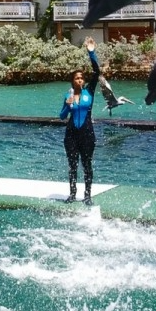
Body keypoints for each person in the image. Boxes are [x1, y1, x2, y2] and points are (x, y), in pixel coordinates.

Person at [58, 37, 100, 205]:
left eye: (82, 78)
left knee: (87, 164)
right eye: (77, 78)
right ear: (72, 81)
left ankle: (87, 195)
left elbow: (97, 72)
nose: (80, 80)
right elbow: (62, 116)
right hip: (71, 135)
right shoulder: (67, 95)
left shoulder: (89, 92)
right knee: (73, 165)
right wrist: (68, 106)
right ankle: (72, 194)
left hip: (87, 134)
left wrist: (91, 53)